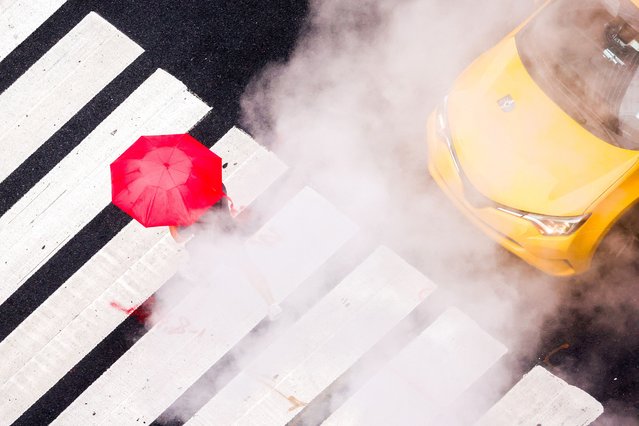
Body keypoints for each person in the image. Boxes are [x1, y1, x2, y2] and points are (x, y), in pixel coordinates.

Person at [169, 184, 282, 319]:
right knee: (249, 268)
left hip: (209, 248)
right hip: (229, 235)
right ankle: (272, 303)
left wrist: (171, 217)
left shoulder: (188, 209)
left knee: (197, 274)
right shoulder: (215, 185)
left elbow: (179, 237)